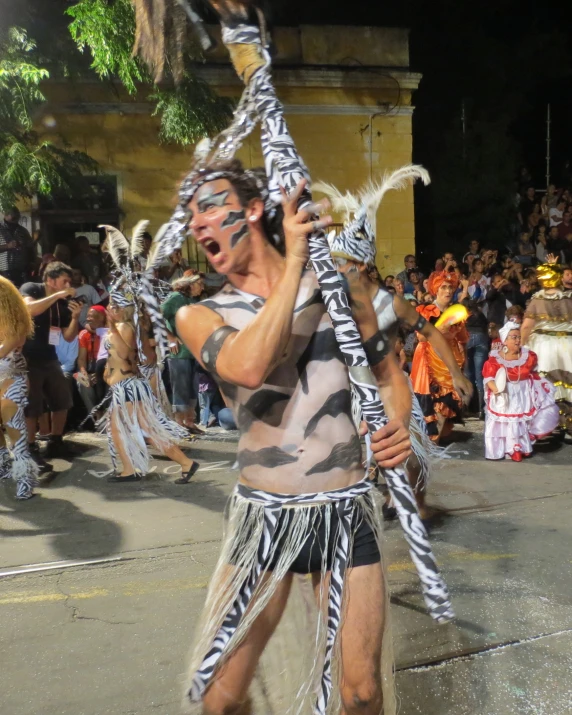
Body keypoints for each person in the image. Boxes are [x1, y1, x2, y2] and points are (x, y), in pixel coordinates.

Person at [98, 225, 199, 484]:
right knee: (138, 429)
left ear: (123, 308)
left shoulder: (125, 327)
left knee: (143, 430)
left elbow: (125, 352)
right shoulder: (125, 325)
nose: (109, 308)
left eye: (113, 305)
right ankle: (134, 467)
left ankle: (137, 468)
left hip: (129, 388)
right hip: (127, 387)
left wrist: (110, 326)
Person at [20, 262, 82, 462]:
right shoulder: (31, 288)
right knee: (32, 405)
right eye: (64, 281)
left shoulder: (63, 304)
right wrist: (57, 295)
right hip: (28, 358)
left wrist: (74, 318)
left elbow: (70, 336)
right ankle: (30, 446)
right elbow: (29, 309)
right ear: (50, 280)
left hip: (50, 357)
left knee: (61, 399)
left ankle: (56, 441)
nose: (68, 285)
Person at [482, 322, 559, 460]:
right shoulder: (495, 359)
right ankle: (505, 449)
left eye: (518, 337)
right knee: (505, 421)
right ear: (505, 340)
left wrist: (539, 389)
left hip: (522, 392)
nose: (518, 340)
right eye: (514, 337)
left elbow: (533, 372)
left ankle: (519, 447)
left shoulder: (528, 356)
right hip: (504, 393)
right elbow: (489, 378)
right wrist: (497, 390)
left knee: (520, 420)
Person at [411, 270, 469, 442]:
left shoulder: (457, 313)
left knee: (446, 402)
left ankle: (432, 442)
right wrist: (441, 328)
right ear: (436, 289)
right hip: (427, 360)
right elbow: (421, 337)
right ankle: (428, 442)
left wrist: (461, 364)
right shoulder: (426, 310)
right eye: (443, 287)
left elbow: (463, 338)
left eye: (450, 287)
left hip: (448, 362)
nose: (448, 291)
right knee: (430, 401)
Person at [521, 262, 572, 435]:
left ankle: (550, 424)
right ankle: (568, 425)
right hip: (568, 344)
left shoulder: (538, 299)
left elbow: (527, 326)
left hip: (545, 345)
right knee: (567, 383)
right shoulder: (568, 299)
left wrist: (521, 344)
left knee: (547, 383)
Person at [0, 276, 38, 499]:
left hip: (10, 382)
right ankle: (3, 468)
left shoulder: (17, 323)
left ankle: (25, 480)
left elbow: (4, 349)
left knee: (15, 432)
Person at [161, 273, 204, 431]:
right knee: (181, 387)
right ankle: (179, 423)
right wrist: (171, 337)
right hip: (179, 352)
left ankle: (190, 422)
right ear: (190, 285)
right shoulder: (175, 298)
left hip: (192, 351)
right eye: (199, 284)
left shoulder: (193, 301)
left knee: (193, 388)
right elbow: (158, 316)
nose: (202, 287)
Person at [76, 306, 108, 416]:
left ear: (102, 318)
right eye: (87, 316)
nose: (88, 319)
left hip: (104, 370)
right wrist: (84, 372)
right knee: (80, 381)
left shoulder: (108, 333)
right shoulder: (84, 334)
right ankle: (95, 416)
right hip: (89, 369)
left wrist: (98, 374)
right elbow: (81, 359)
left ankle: (107, 414)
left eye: (92, 316)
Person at [462, 299, 489, 419]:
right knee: (480, 376)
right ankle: (482, 410)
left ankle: (467, 408)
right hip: (481, 339)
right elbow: (486, 327)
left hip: (467, 338)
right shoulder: (480, 315)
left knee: (468, 375)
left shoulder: (463, 315)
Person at [0, 208, 36, 287]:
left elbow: (30, 248)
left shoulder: (22, 230)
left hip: (21, 270)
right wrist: (7, 246)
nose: (15, 221)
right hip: (3, 271)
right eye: (13, 218)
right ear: (6, 215)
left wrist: (32, 262)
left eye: (17, 218)